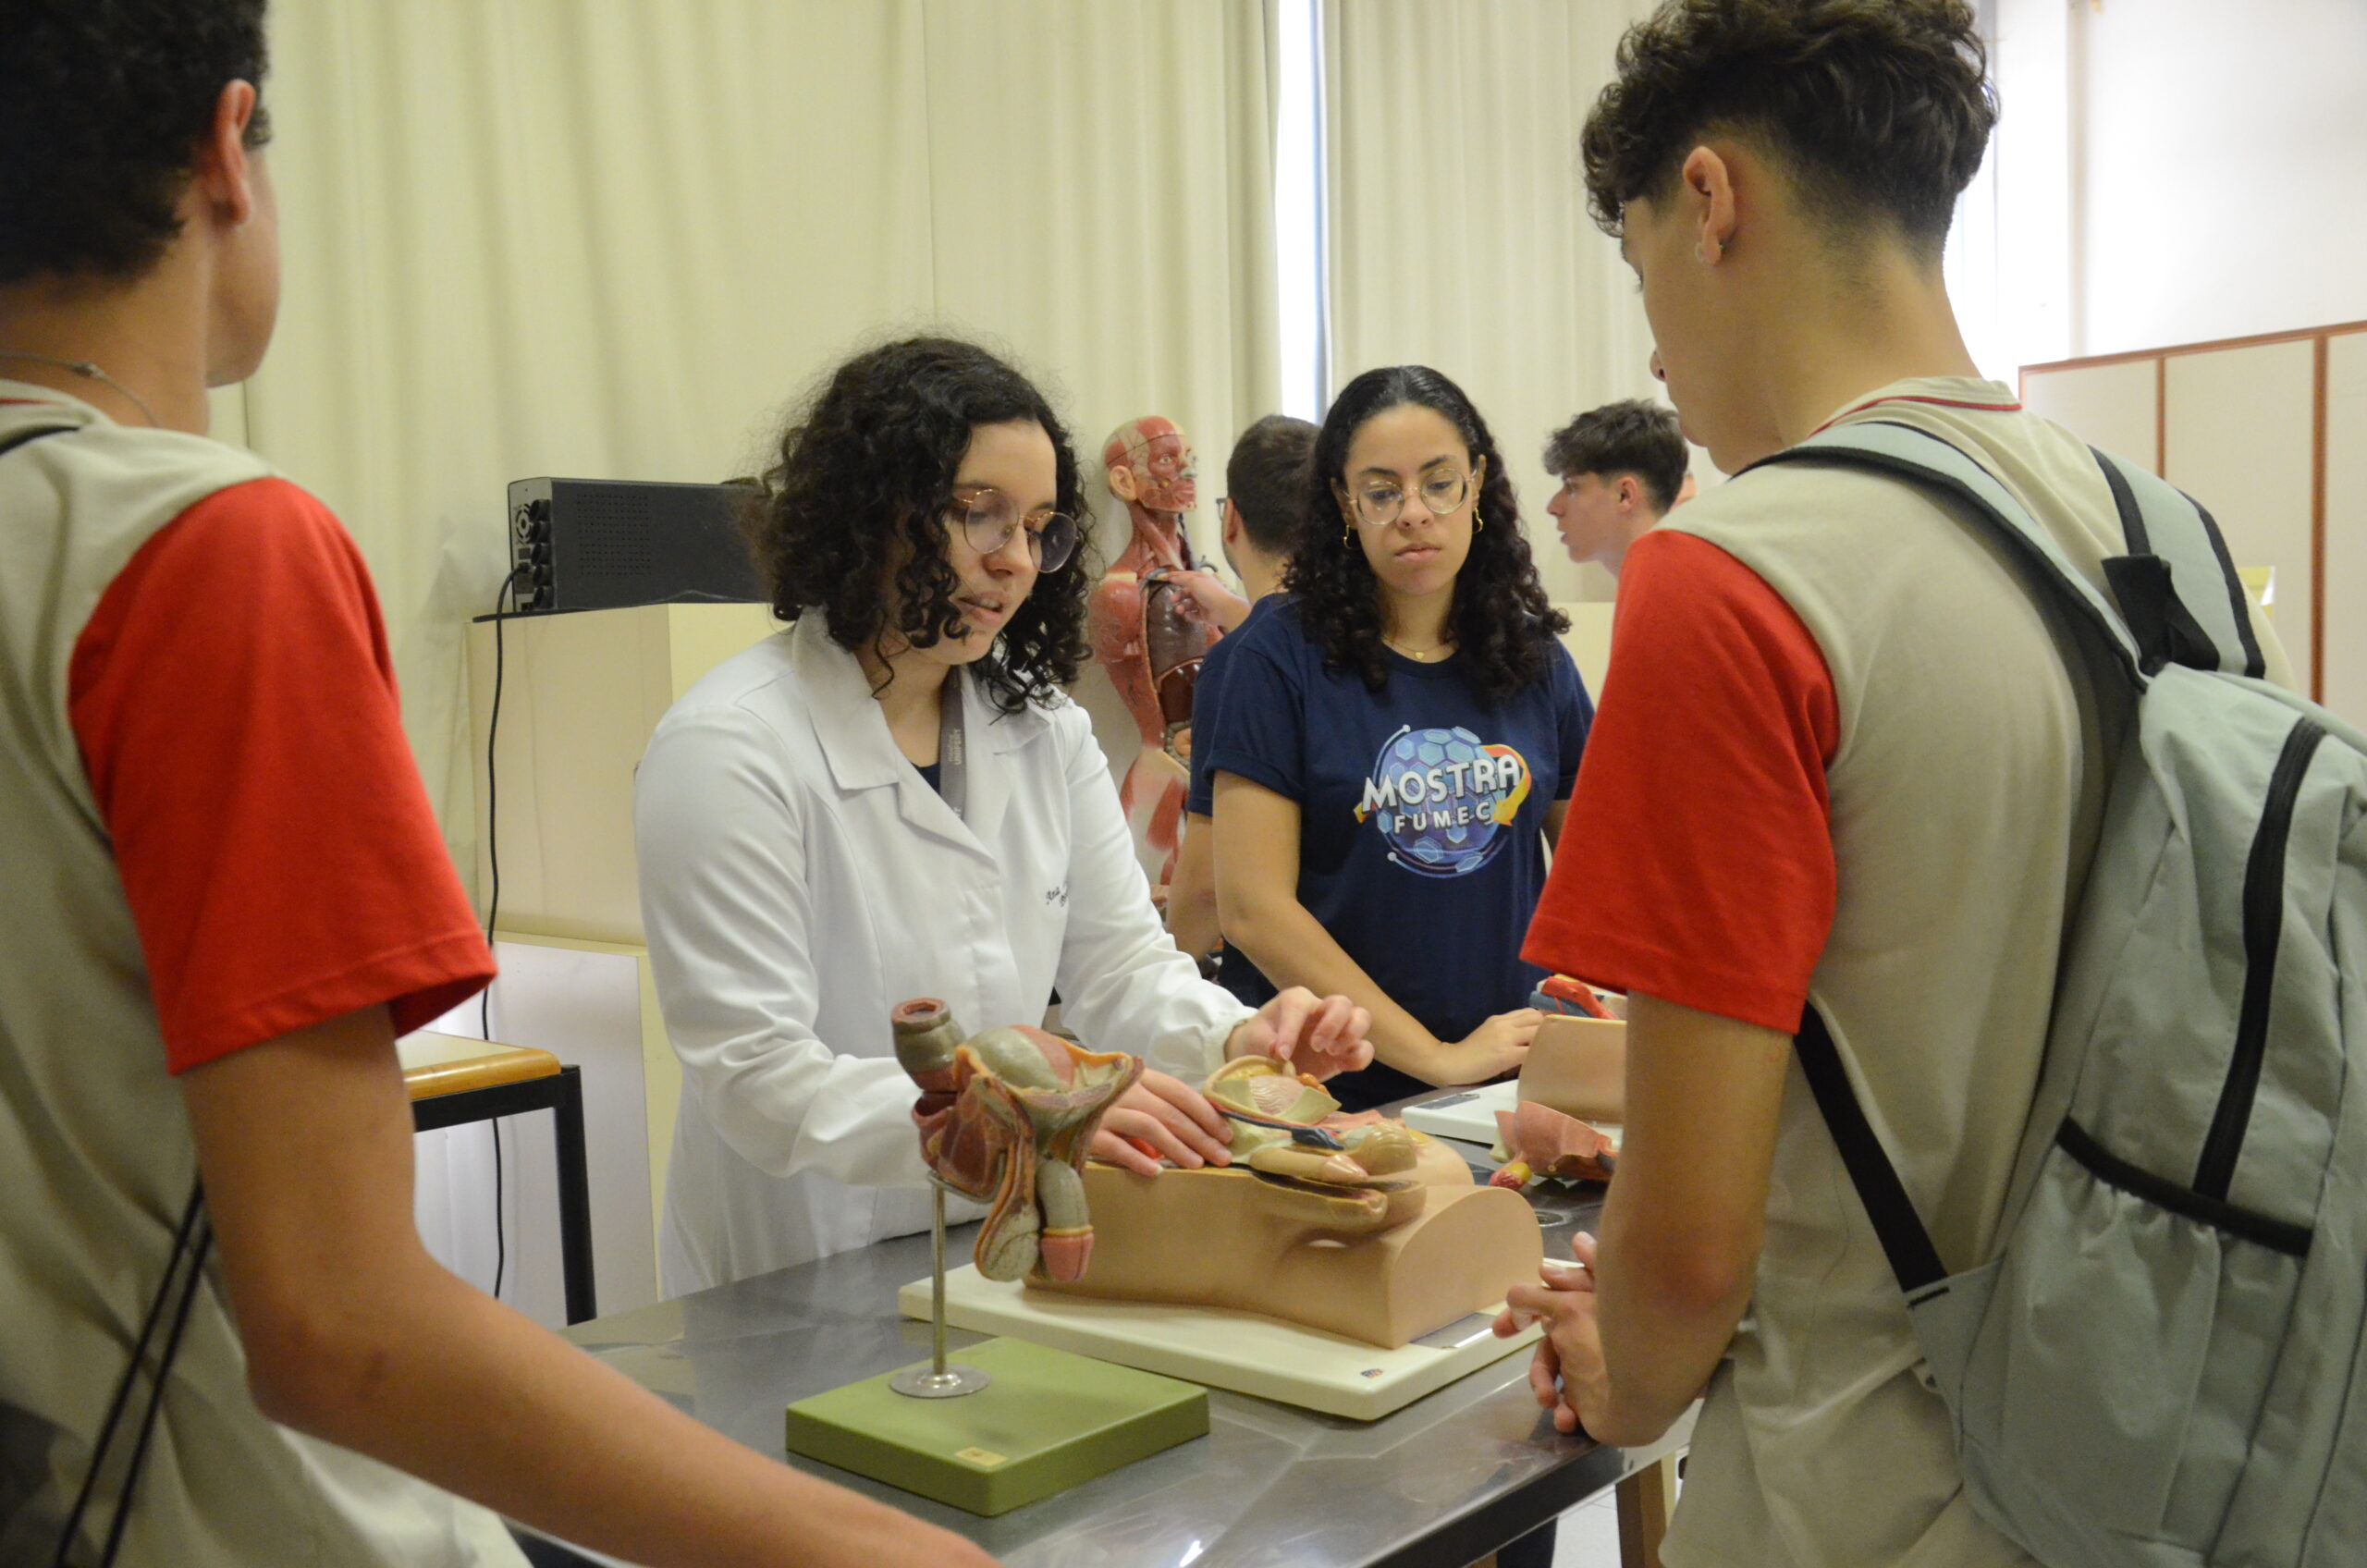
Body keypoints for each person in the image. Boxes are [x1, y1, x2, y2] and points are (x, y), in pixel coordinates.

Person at [0, 7, 1000, 1566]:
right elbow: (341, 1328)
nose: (1005, 560)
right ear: (225, 150)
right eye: (974, 515)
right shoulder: (196, 552)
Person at [1500, 6, 2289, 1568]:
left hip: (1864, 1488)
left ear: (1712, 201)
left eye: (1643, 270)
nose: (1653, 350)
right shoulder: (2170, 541)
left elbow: (1685, 1256)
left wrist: (1624, 1371)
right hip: (2180, 1454)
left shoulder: (1732, 579)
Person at [634, 337, 1373, 1295]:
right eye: (979, 513)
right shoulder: (730, 746)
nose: (1015, 560)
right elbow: (757, 1076)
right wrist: (1020, 1114)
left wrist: (1238, 1041)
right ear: (872, 507)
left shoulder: (1043, 730)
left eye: (1038, 527)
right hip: (800, 1262)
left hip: (1000, 1245)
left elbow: (1120, 969)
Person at [1205, 366, 1593, 1114]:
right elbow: (1252, 909)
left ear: (1476, 485)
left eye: (1438, 484)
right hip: (1328, 1098)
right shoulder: (1276, 658)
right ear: (1345, 504)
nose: (1414, 513)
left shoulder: (1534, 657)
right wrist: (1437, 1058)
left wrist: (1583, 1013)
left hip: (1506, 1086)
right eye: (1382, 492)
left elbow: (1596, 865)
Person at [1165, 412, 1316, 964]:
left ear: (1230, 519)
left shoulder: (1241, 664)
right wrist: (1234, 611)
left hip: (1288, 991)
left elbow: (1208, 884)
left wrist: (1161, 973)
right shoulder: (1373, 637)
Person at [1540, 398, 1696, 575]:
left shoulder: (1679, 586)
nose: (1553, 508)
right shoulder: (1669, 577)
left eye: (1573, 487)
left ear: (1624, 495)